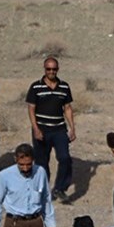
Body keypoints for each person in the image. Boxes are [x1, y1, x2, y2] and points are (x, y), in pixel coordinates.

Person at [26, 56, 76, 203]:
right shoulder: (36, 87)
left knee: (65, 158)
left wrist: (72, 128)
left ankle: (60, 188)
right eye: (48, 69)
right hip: (41, 129)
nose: (51, 72)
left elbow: (67, 108)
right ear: (44, 69)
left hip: (59, 129)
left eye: (54, 69)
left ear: (58, 69)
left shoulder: (64, 87)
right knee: (42, 162)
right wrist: (36, 128)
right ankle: (43, 190)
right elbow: (31, 108)